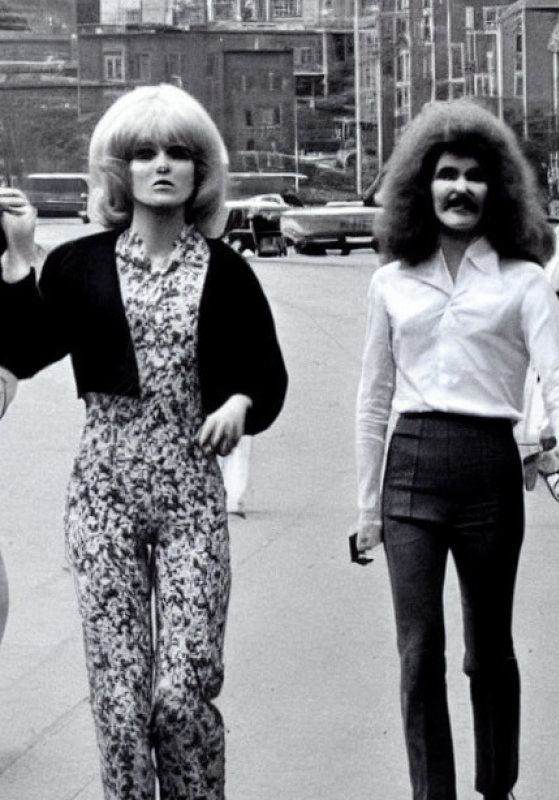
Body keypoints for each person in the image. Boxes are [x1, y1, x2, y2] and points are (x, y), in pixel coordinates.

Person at [0, 84, 287, 800]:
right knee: (122, 706)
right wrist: (17, 260)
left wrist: (240, 404)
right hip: (105, 495)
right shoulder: (80, 265)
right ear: (118, 171)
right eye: (145, 153)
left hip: (192, 494)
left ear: (201, 173)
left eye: (179, 154)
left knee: (182, 695)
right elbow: (23, 350)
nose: (162, 165)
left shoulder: (227, 271)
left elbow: (267, 375)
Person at [355, 99, 559, 800]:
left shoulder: (523, 280)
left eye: (474, 175)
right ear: (420, 186)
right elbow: (373, 397)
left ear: (497, 188)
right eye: (445, 174)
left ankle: (497, 787)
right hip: (410, 469)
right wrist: (366, 507)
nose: (460, 188)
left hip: (489, 470)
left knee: (487, 653)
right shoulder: (390, 282)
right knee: (417, 655)